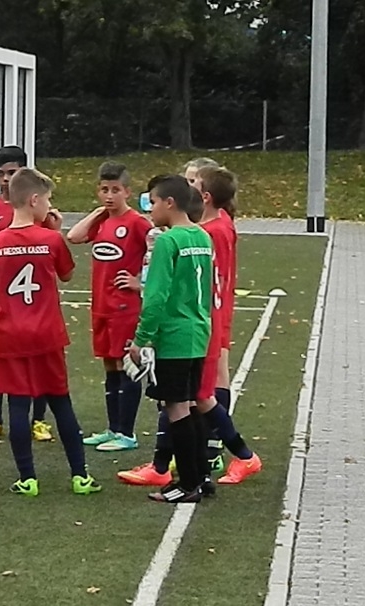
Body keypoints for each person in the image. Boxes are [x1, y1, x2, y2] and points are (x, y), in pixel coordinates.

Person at [0, 168, 101, 497]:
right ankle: (80, 476)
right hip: (47, 334)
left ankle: (28, 478)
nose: (50, 206)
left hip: (10, 334)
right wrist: (55, 232)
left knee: (18, 406)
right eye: (47, 199)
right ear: (34, 200)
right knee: (61, 403)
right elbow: (67, 275)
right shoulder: (50, 239)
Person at [0, 145, 60, 442]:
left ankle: (38, 420)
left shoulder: (37, 208)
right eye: (0, 173)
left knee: (37, 361)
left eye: (12, 172)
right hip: (1, 302)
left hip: (34, 301)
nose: (5, 179)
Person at [126, 175, 213, 503]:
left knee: (176, 407)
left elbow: (157, 294)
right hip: (198, 329)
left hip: (175, 334)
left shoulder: (168, 241)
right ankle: (202, 477)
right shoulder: (202, 235)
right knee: (190, 404)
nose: (150, 209)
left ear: (169, 203)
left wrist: (141, 338)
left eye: (153, 202)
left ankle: (187, 484)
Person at [67, 163, 152, 452]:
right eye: (104, 190)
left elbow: (159, 253)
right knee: (109, 365)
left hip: (124, 307)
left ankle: (126, 433)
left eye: (116, 190)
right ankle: (112, 428)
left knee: (125, 364)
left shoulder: (137, 223)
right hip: (101, 305)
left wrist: (140, 282)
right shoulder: (102, 220)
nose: (109, 195)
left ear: (127, 191)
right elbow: (73, 236)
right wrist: (98, 212)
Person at [194, 165, 261, 484]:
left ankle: (229, 451)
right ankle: (202, 451)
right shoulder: (212, 225)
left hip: (209, 314)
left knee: (204, 387)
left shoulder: (215, 230)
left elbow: (212, 278)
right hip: (209, 313)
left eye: (193, 182)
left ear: (206, 195)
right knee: (199, 389)